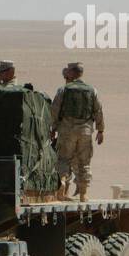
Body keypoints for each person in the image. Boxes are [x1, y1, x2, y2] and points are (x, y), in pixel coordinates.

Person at [49, 63, 103, 201]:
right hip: (85, 131)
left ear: (72, 73)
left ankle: (61, 185)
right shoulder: (92, 90)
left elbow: (54, 110)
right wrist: (100, 130)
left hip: (67, 131)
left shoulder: (63, 90)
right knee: (84, 162)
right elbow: (98, 110)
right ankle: (84, 194)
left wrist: (52, 128)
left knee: (63, 159)